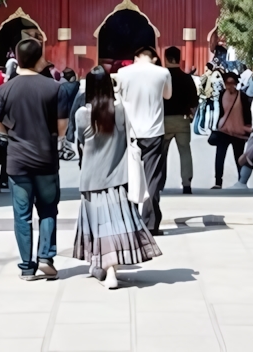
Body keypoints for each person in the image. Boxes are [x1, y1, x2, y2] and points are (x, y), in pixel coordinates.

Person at [72, 66, 162, 288]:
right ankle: (107, 267)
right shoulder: (121, 110)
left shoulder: (82, 115)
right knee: (115, 224)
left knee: (100, 226)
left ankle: (108, 271)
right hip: (119, 179)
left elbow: (81, 144)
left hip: (92, 180)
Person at [0, 39, 66, 281]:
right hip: (46, 159)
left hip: (18, 161)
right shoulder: (54, 88)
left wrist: (10, 134)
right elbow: (62, 128)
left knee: (22, 215)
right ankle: (46, 257)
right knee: (48, 210)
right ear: (39, 59)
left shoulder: (5, 89)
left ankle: (26, 267)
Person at [116, 44, 172, 235]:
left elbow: (118, 97)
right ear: (154, 58)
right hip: (154, 130)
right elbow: (168, 95)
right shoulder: (163, 72)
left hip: (129, 130)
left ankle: (127, 220)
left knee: (128, 176)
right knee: (152, 177)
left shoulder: (123, 72)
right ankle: (150, 223)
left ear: (136, 56)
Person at [161, 47, 199, 195]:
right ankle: (187, 183)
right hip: (182, 119)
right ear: (179, 58)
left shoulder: (162, 78)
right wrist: (190, 117)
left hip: (164, 120)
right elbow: (194, 101)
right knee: (184, 152)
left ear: (166, 58)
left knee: (162, 153)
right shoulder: (186, 78)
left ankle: (160, 182)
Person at [211, 70, 251, 188]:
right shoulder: (222, 94)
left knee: (239, 158)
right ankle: (218, 182)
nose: (229, 85)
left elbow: (247, 114)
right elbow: (222, 112)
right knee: (219, 157)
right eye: (227, 83)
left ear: (236, 83)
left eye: (232, 83)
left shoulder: (243, 97)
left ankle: (241, 182)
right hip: (224, 131)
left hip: (239, 133)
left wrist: (248, 130)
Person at [57, 68, 80, 161]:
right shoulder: (80, 86)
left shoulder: (62, 87)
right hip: (79, 115)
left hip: (67, 116)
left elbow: (61, 109)